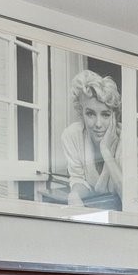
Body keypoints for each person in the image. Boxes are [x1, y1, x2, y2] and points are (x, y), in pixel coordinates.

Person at [53, 70, 124, 209]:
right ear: (81, 113)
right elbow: (79, 179)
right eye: (90, 114)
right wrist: (74, 195)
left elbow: (130, 198)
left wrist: (106, 152)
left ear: (115, 116)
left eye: (105, 114)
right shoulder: (72, 136)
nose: (98, 124)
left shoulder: (126, 140)